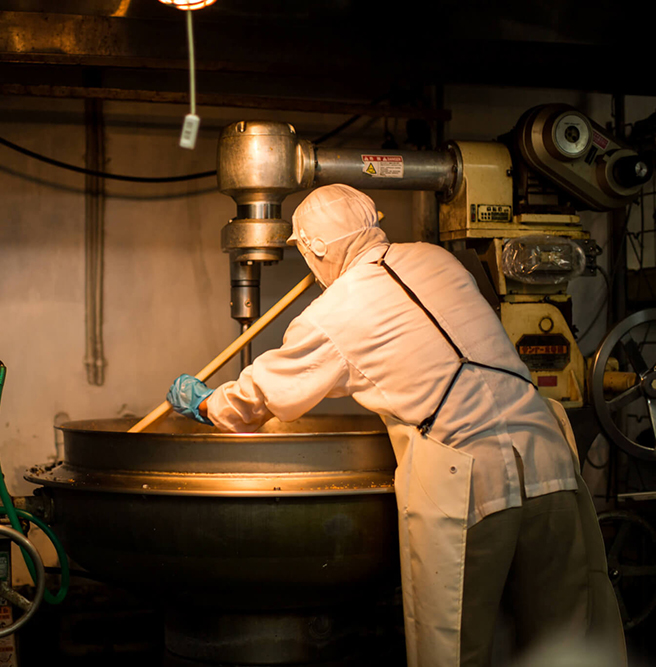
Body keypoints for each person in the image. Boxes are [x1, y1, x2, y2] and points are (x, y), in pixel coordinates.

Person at [166, 184, 626, 667]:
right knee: (566, 643)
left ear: (317, 249)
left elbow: (262, 395)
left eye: (305, 255)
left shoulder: (333, 314)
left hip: (470, 477)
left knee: (454, 646)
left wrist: (207, 404)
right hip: (548, 454)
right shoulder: (437, 260)